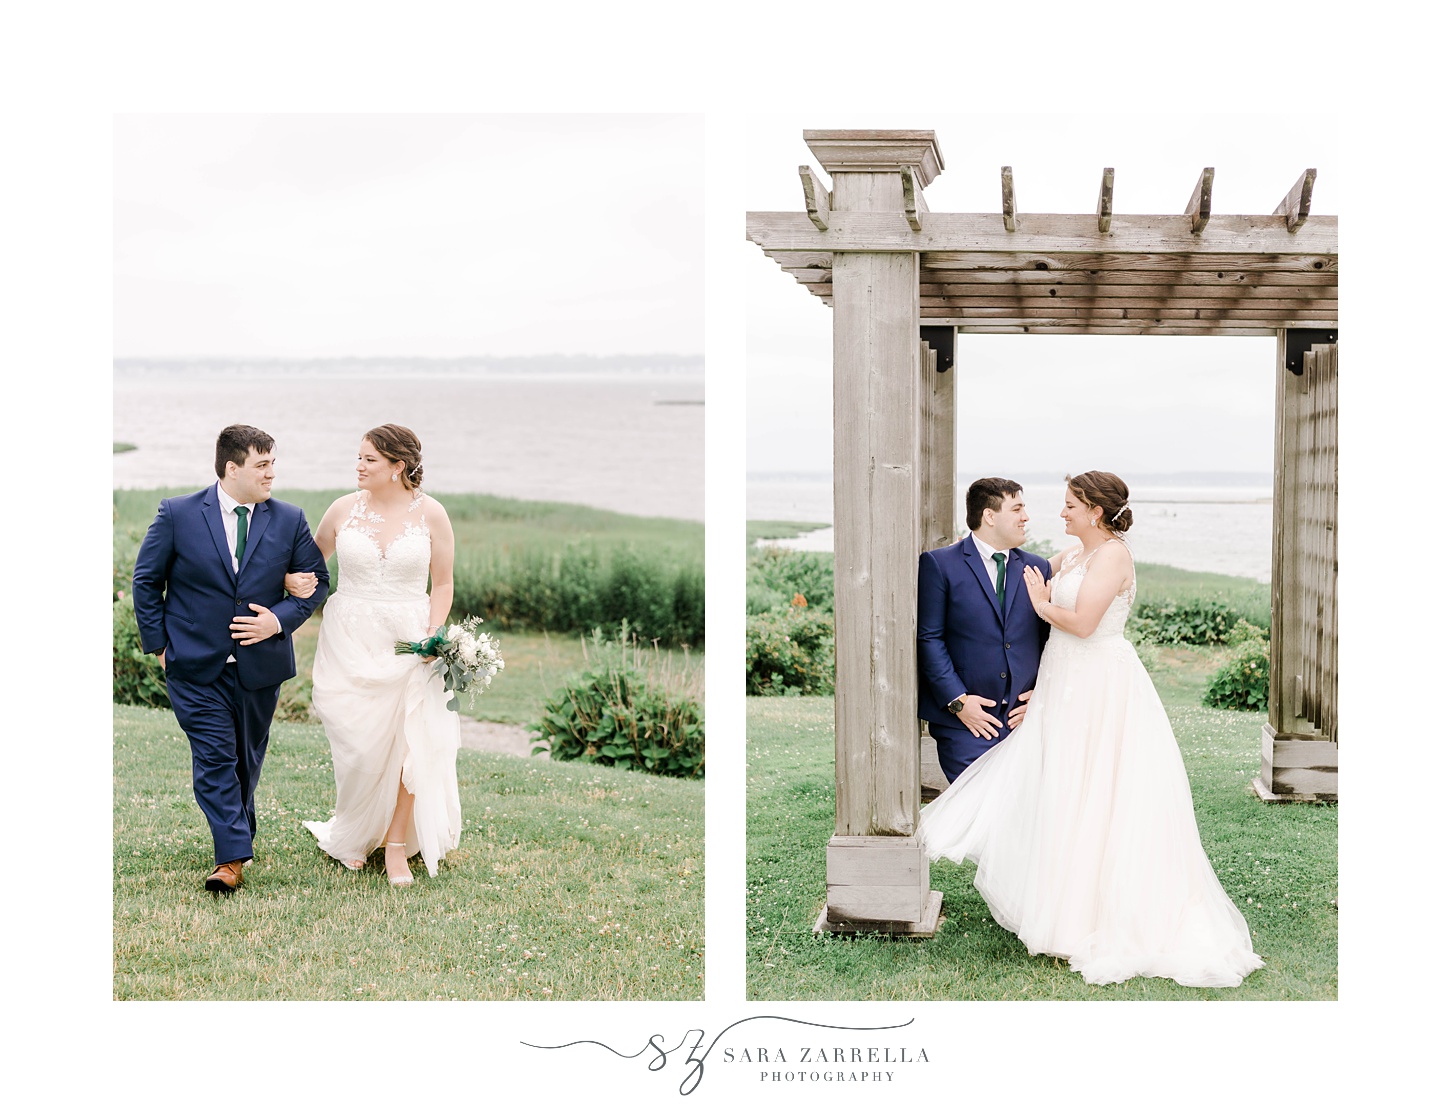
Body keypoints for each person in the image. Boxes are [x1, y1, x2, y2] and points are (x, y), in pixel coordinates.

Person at [918, 471, 1263, 988]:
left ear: (1095, 511)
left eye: (1070, 506)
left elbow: (1077, 623)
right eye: (1044, 506)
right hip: (1064, 689)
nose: (1058, 514)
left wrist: (1040, 606)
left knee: (1106, 793)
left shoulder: (1112, 556)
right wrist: (1042, 679)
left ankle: (1105, 916)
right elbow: (1010, 607)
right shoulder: (1067, 557)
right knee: (1068, 795)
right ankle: (1063, 909)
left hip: (1101, 686)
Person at [132, 424, 330, 893]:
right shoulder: (178, 514)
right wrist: (160, 646)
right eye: (263, 465)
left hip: (262, 668)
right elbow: (146, 581)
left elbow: (317, 582)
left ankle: (235, 837)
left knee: (245, 759)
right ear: (231, 468)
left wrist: (277, 620)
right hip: (194, 665)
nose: (271, 475)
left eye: (273, 464)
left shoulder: (289, 519)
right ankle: (231, 859)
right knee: (215, 758)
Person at [299, 424, 461, 885]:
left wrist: (433, 635)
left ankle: (394, 844)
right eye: (359, 457)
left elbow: (443, 583)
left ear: (398, 467)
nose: (359, 466)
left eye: (369, 459)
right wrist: (292, 584)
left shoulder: (432, 514)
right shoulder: (342, 510)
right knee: (358, 744)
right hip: (349, 638)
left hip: (410, 640)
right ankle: (354, 830)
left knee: (411, 740)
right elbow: (308, 567)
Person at [917, 478, 1053, 783]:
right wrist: (958, 703)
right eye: (1017, 508)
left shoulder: (1037, 567)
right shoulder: (940, 565)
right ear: (989, 516)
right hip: (966, 724)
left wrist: (1040, 697)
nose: (1025, 517)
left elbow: (1049, 641)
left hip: (1024, 721)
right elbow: (929, 638)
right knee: (976, 814)